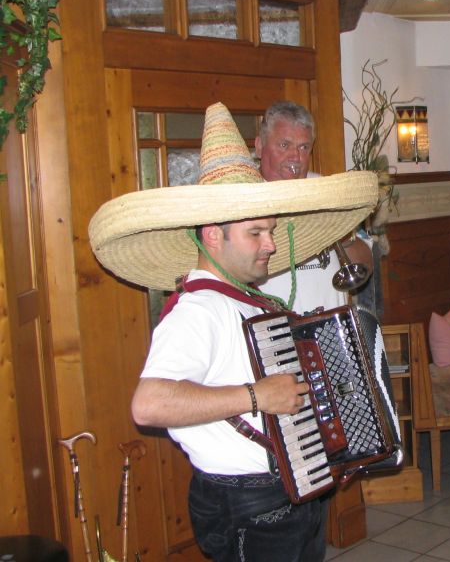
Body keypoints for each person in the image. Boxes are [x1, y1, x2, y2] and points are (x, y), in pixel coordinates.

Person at [89, 103, 378, 561]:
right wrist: (256, 396)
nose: (271, 245)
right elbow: (149, 404)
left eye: (270, 231)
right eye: (256, 233)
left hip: (288, 484)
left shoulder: (246, 300)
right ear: (213, 235)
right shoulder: (198, 309)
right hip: (247, 501)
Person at [255, 100, 373, 313]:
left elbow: (366, 265)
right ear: (259, 146)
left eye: (304, 147)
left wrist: (341, 233)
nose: (296, 157)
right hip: (276, 327)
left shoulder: (328, 190)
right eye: (284, 145)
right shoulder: (243, 199)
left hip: (334, 324)